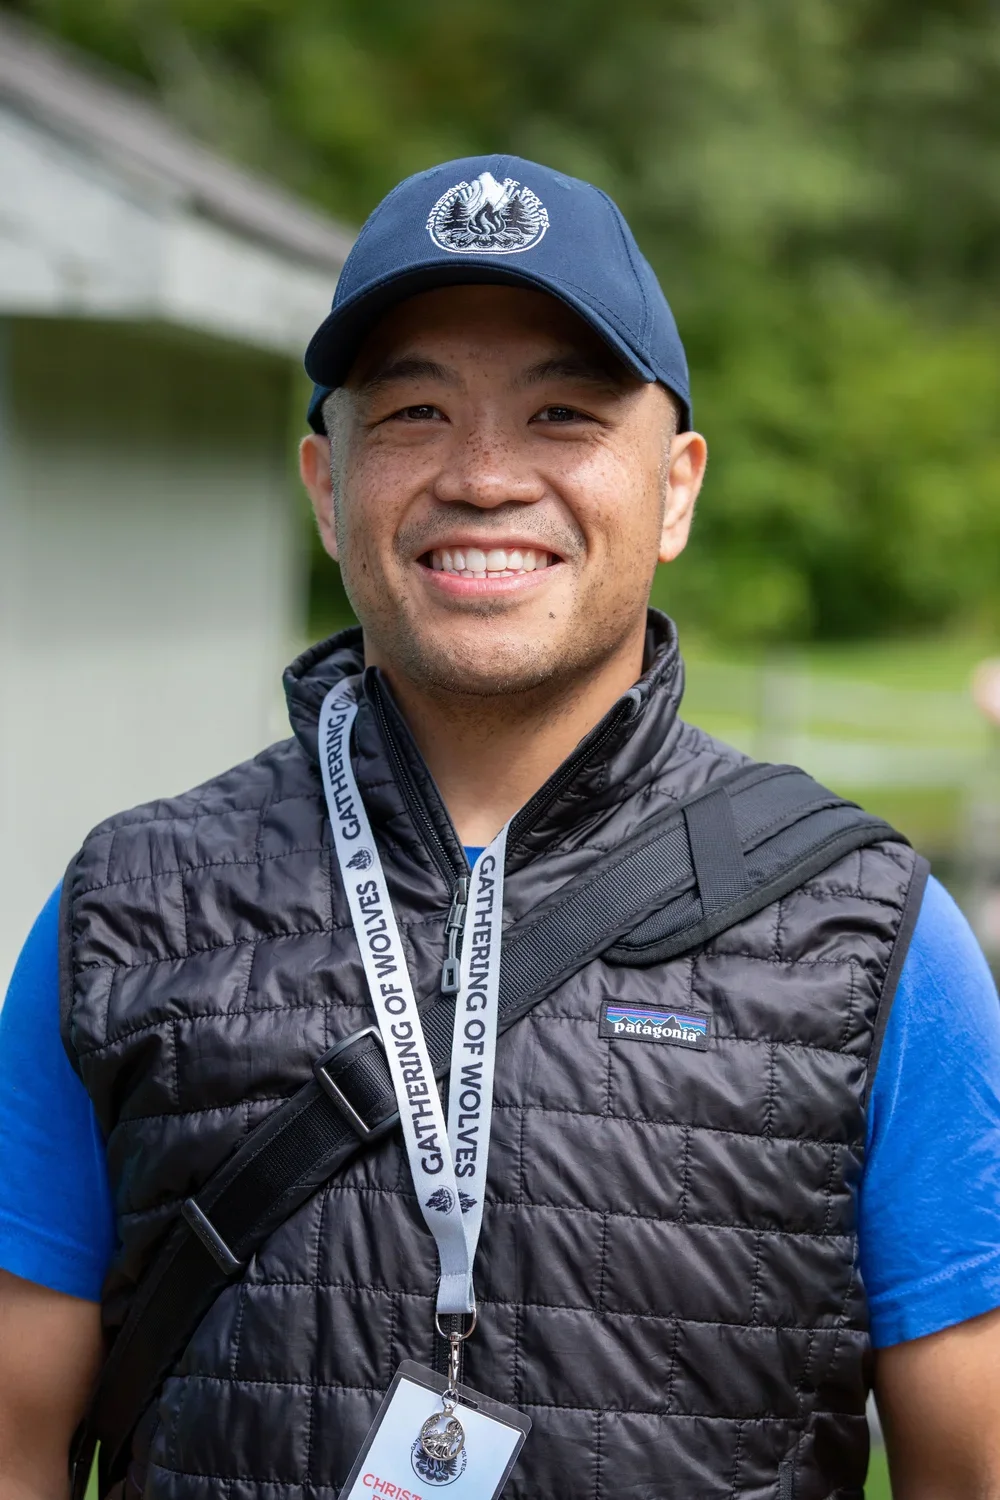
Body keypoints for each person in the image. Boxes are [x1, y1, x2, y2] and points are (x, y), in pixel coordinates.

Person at [2, 154, 1000, 1500]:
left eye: (563, 414)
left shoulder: (874, 940)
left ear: (679, 487)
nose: (482, 476)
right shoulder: (123, 912)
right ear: (324, 478)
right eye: (414, 411)